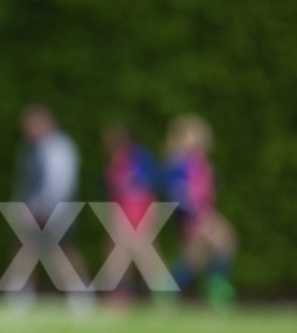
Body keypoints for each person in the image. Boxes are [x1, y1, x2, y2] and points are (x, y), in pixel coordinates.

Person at [3, 104, 91, 307]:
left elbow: (59, 184)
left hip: (53, 210)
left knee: (60, 251)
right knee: (30, 249)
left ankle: (80, 294)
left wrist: (40, 209)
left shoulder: (58, 147)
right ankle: (20, 293)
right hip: (41, 209)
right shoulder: (31, 148)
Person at [162, 113, 237, 310]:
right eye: (192, 136)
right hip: (192, 214)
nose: (197, 141)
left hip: (199, 211)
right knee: (224, 241)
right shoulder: (178, 162)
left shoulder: (198, 162)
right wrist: (193, 211)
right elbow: (176, 191)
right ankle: (216, 289)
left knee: (196, 257)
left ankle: (168, 288)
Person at [100, 123, 170, 300]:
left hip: (137, 212)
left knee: (138, 251)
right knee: (125, 250)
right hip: (125, 212)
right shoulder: (116, 161)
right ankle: (125, 291)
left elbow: (143, 189)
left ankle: (156, 293)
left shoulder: (136, 158)